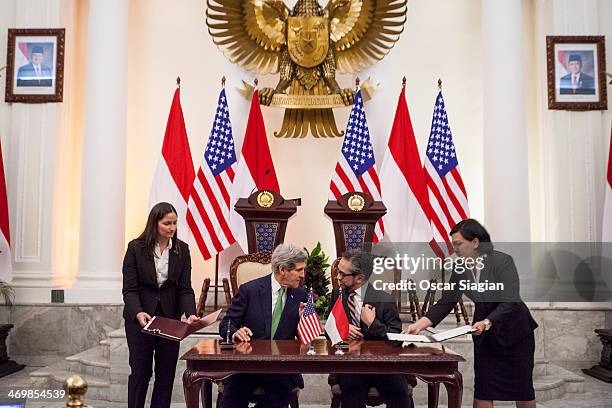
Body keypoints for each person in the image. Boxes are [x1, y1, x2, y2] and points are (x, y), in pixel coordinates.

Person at [404, 219, 538, 408]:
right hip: (484, 336)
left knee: (522, 391)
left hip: (514, 333)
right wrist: (419, 325)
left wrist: (487, 322)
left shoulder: (502, 261)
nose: (455, 249)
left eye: (458, 244)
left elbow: (510, 300)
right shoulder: (460, 268)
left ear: (475, 242)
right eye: (453, 245)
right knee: (484, 388)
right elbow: (447, 300)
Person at [122, 202, 199, 408]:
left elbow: (185, 288)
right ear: (154, 223)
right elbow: (129, 289)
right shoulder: (135, 248)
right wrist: (138, 312)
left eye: (174, 223)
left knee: (165, 374)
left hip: (169, 320)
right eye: (167, 223)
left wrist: (190, 313)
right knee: (141, 372)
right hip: (141, 320)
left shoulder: (182, 250)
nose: (172, 228)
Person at [218, 243, 309, 408]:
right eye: (299, 270)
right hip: (248, 365)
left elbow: (306, 338)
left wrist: (304, 320)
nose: (303, 275)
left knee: (278, 399)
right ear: (282, 269)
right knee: (231, 399)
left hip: (280, 367)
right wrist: (235, 332)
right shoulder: (250, 290)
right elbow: (227, 323)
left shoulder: (301, 294)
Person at [326, 250, 413, 408]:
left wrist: (373, 324)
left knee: (399, 396)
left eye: (342, 274)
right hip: (352, 365)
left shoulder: (385, 300)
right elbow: (328, 331)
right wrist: (342, 329)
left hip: (383, 366)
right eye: (338, 272)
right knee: (351, 396)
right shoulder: (336, 295)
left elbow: (396, 339)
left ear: (359, 277)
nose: (337, 277)